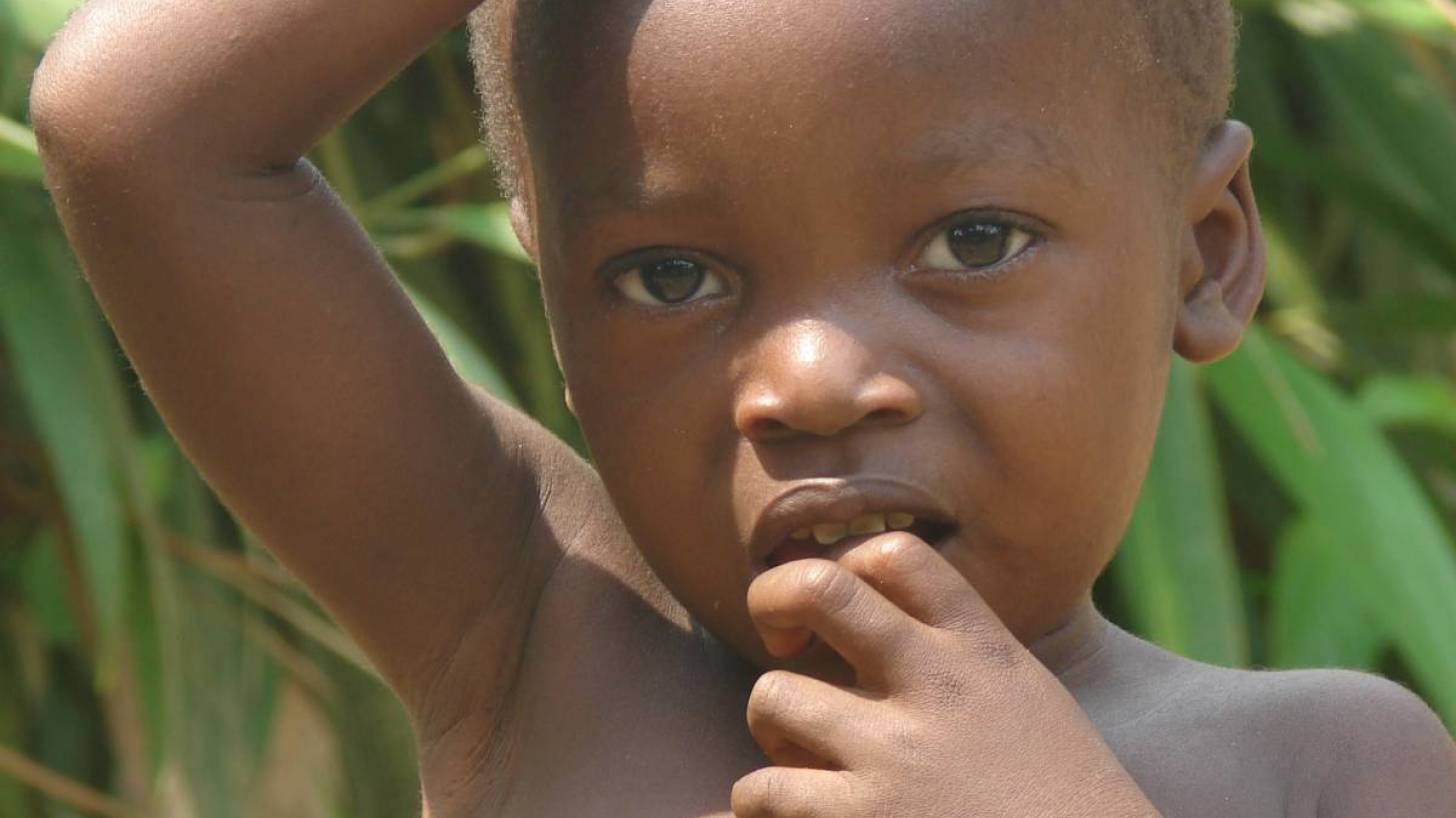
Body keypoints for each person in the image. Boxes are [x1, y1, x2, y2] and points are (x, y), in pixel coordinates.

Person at [27, 0, 1456, 815]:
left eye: (970, 243)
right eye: (668, 274)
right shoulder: (544, 634)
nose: (810, 384)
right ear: (556, 321)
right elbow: (139, 135)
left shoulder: (1327, 769)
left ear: (1204, 255)